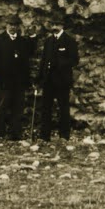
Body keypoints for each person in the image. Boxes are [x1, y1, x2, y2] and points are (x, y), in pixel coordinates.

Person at [0, 16, 35, 140]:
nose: (13, 27)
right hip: (4, 80)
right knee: (2, 107)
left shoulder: (23, 41)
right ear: (6, 25)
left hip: (19, 81)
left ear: (18, 27)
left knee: (18, 108)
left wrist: (33, 36)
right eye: (10, 24)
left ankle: (15, 134)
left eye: (15, 25)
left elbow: (31, 52)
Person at [38, 12, 79, 142]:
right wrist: (40, 78)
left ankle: (64, 136)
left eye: (57, 24)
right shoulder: (48, 41)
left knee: (63, 108)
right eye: (53, 24)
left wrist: (59, 63)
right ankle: (45, 136)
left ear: (62, 25)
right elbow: (44, 60)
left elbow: (74, 60)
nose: (54, 27)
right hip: (48, 81)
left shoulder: (69, 41)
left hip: (62, 81)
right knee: (46, 108)